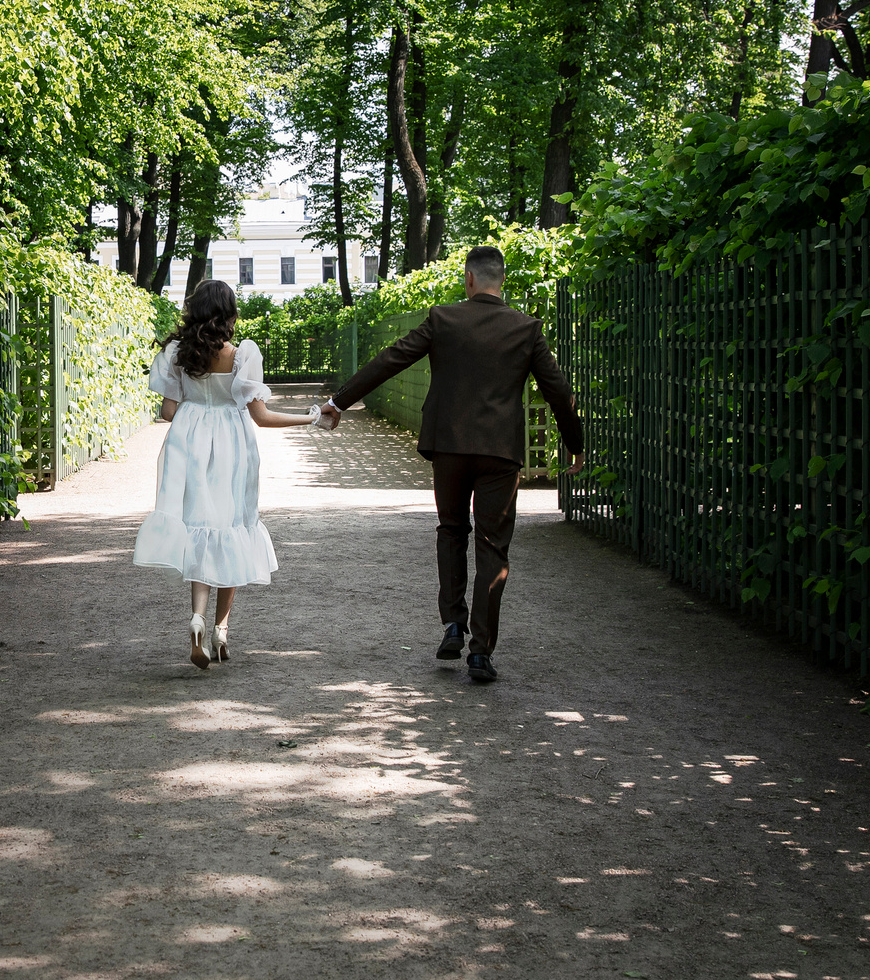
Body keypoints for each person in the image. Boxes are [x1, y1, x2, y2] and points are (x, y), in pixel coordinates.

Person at [319, 245, 584, 684]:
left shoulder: (443, 319)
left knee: (452, 531)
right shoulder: (526, 328)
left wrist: (339, 401)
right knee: (493, 548)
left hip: (449, 448)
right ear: (502, 280)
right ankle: (480, 653)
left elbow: (391, 359)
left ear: (469, 279)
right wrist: (575, 444)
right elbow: (558, 389)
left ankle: (453, 624)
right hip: (500, 453)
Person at [135, 280, 327, 669]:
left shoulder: (178, 354)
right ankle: (221, 629)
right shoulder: (241, 356)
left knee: (201, 528)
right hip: (233, 450)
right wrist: (311, 418)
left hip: (189, 446)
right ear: (229, 315)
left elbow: (168, 412)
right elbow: (262, 417)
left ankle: (197, 618)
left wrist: (196, 408)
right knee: (234, 525)